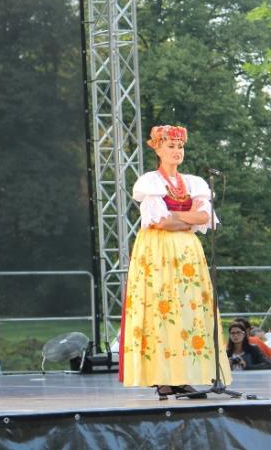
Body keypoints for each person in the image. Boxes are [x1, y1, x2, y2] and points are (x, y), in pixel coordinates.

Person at [119, 125, 231, 399]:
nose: (177, 151)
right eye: (170, 146)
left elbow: (204, 217)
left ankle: (182, 375)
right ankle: (162, 376)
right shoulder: (151, 182)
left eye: (180, 146)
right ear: (157, 149)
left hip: (187, 253)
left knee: (186, 309)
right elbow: (161, 222)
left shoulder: (194, 184)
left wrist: (178, 217)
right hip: (157, 251)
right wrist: (185, 217)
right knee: (161, 309)